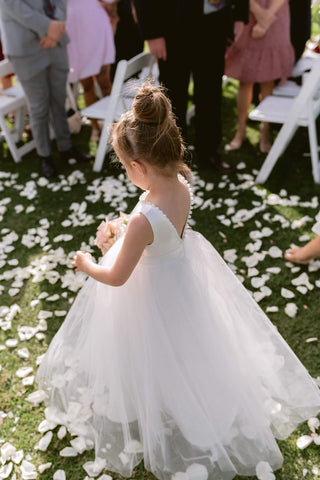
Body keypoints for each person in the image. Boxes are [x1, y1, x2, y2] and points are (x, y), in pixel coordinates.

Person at [36, 82, 320, 480]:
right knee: (188, 347)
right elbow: (162, 233)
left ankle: (168, 405)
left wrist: (88, 262)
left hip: (150, 294)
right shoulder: (181, 184)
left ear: (137, 167)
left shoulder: (142, 218)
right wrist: (123, 235)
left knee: (151, 349)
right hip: (182, 279)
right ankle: (192, 397)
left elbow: (117, 277)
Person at [132, 0, 249, 173]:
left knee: (211, 93)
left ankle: (208, 151)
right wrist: (152, 33)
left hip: (213, 23)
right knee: (173, 95)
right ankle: (173, 155)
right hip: (172, 25)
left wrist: (239, 15)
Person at [0, 0, 92, 179]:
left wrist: (56, 27)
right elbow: (12, 4)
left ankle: (65, 147)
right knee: (39, 105)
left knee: (59, 99)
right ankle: (45, 156)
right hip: (25, 46)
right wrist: (49, 27)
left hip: (56, 41)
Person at [224, 0, 295, 153]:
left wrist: (266, 19)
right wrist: (258, 13)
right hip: (248, 12)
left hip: (276, 12)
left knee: (268, 79)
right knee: (245, 78)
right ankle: (241, 129)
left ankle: (265, 130)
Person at [66, 0, 116, 142]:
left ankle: (114, 126)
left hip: (96, 24)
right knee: (87, 85)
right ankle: (95, 127)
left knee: (105, 83)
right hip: (74, 30)